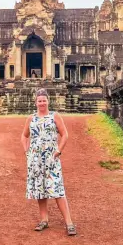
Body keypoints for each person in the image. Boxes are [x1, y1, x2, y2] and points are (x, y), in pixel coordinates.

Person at [20, 88, 76, 236]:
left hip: (51, 159)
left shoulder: (54, 116)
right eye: (39, 101)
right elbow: (24, 136)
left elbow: (65, 135)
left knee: (57, 189)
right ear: (35, 102)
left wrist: (58, 150)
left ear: (48, 101)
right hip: (35, 160)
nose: (42, 103)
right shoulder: (31, 118)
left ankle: (69, 222)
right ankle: (44, 219)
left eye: (44, 100)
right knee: (40, 190)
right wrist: (27, 152)